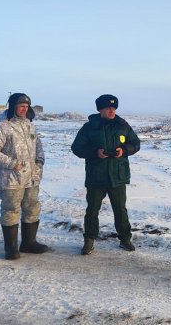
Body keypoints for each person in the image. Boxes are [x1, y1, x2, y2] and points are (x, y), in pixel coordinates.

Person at [71, 94, 141, 255]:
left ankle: (125, 239)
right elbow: (77, 148)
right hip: (96, 176)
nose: (112, 111)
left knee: (120, 210)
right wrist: (96, 153)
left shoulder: (122, 125)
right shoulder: (89, 127)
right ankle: (89, 240)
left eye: (114, 108)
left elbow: (136, 143)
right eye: (108, 108)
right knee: (92, 210)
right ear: (100, 109)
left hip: (117, 176)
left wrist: (123, 150)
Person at [0, 93, 49, 260]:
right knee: (11, 210)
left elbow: (38, 145)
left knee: (32, 208)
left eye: (27, 106)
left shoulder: (29, 125)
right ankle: (10, 248)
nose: (24, 109)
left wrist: (39, 162)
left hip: (32, 178)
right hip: (11, 179)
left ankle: (29, 243)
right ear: (13, 106)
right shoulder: (2, 126)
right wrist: (13, 164)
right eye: (21, 106)